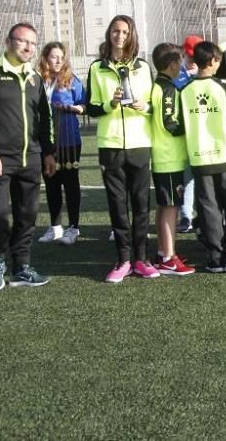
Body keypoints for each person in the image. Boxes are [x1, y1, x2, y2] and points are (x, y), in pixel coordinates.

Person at [0, 23, 56, 290]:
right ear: (8, 42)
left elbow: (45, 118)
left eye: (33, 42)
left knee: (27, 214)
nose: (29, 47)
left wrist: (48, 152)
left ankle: (22, 267)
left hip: (31, 159)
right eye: (23, 41)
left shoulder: (35, 78)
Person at [87, 15, 159, 283]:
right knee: (118, 206)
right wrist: (110, 104)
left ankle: (142, 259)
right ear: (109, 34)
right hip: (111, 145)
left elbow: (154, 103)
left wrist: (145, 107)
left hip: (140, 143)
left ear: (132, 36)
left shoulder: (143, 67)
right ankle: (123, 260)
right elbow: (92, 107)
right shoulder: (97, 68)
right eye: (115, 31)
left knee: (141, 205)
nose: (119, 36)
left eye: (125, 32)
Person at [181, 41, 226, 273]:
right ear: (212, 61)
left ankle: (214, 257)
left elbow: (181, 124)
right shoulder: (224, 85)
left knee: (208, 209)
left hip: (200, 158)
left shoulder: (185, 90)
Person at [148, 43, 195, 275]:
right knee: (171, 207)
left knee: (166, 205)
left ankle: (162, 252)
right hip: (169, 157)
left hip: (165, 157)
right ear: (173, 64)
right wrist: (191, 128)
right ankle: (168, 258)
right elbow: (170, 123)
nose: (182, 66)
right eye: (180, 62)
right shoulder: (167, 89)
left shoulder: (161, 86)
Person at [36, 42, 86, 245]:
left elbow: (84, 105)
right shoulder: (38, 81)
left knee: (70, 182)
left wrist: (71, 108)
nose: (57, 61)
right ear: (46, 58)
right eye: (53, 56)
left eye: (61, 57)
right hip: (46, 141)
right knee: (51, 183)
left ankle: (73, 227)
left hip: (69, 140)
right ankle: (55, 226)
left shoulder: (72, 81)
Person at [175, 34, 201, 234]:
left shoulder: (207, 73)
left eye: (196, 55)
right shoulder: (178, 74)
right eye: (190, 55)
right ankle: (186, 215)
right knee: (187, 176)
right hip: (184, 133)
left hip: (204, 133)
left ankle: (204, 214)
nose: (192, 59)